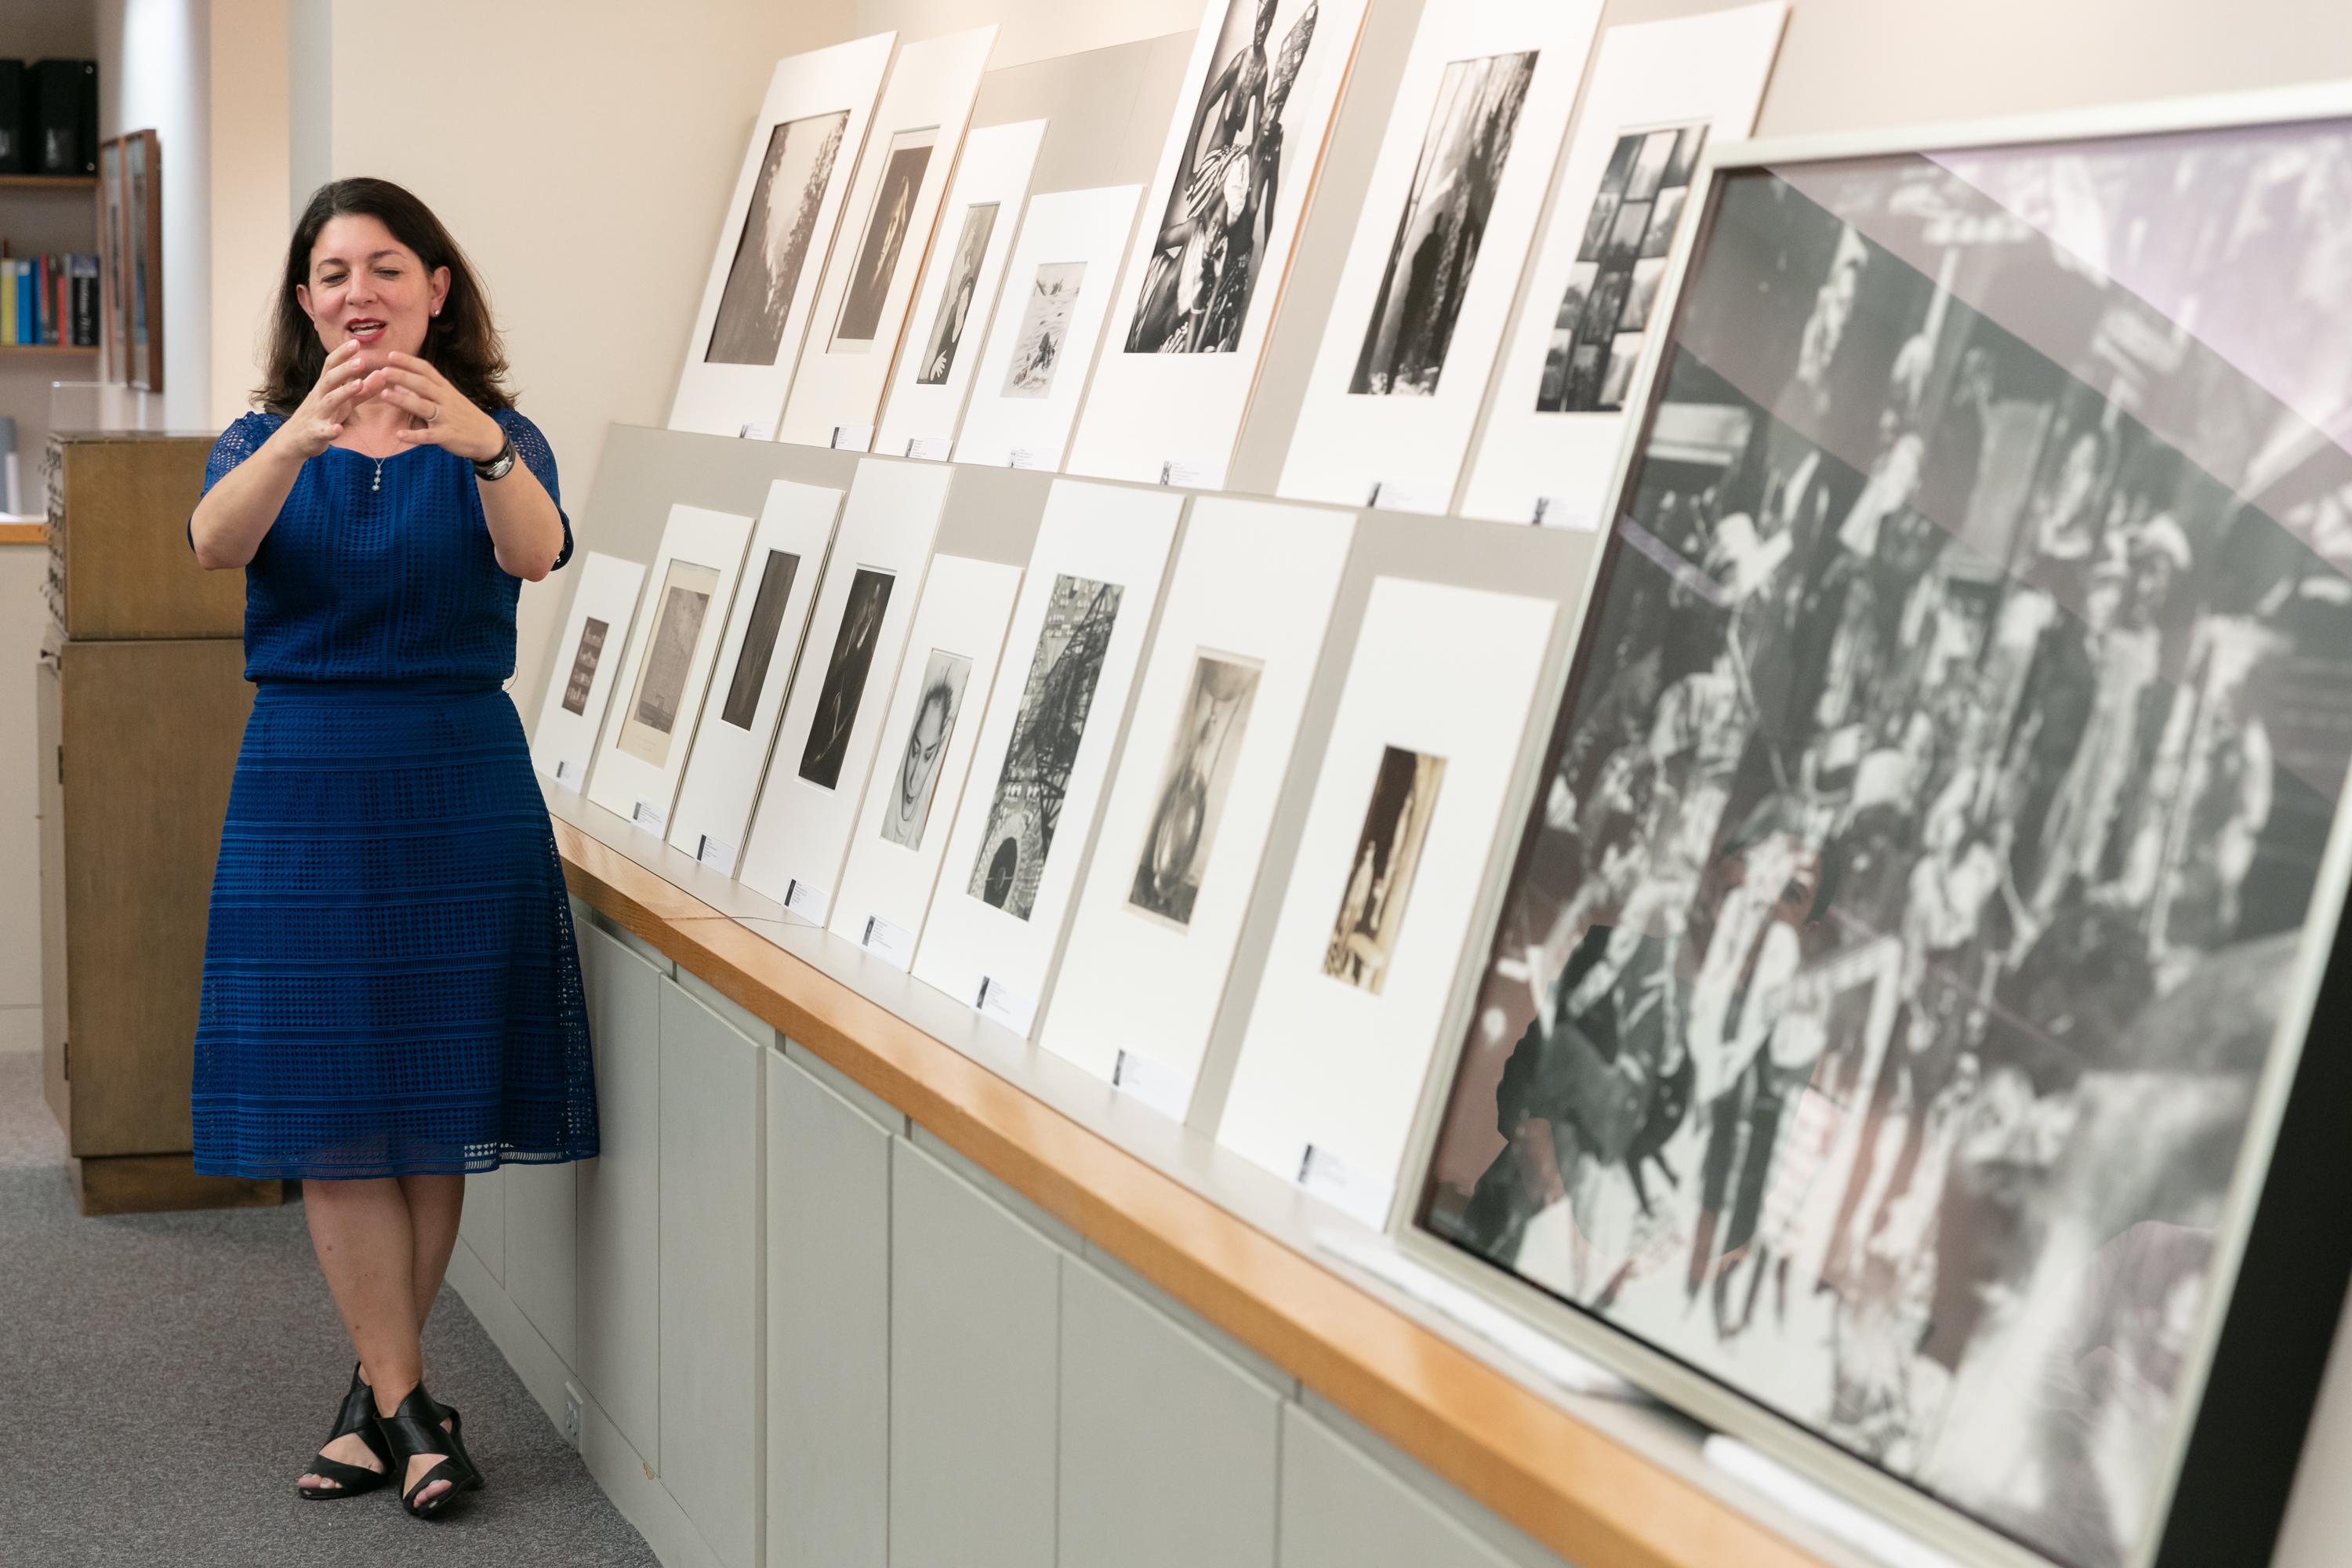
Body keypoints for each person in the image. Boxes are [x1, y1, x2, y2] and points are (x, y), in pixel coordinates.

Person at [187, 177, 596, 1519]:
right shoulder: (261, 436)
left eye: (385, 268)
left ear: (435, 288)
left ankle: (381, 1401)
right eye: (331, 274)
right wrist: (302, 440)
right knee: (332, 1107)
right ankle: (417, 1408)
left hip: (457, 780)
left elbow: (538, 557)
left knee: (430, 1103)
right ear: (304, 304)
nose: (358, 292)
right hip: (304, 786)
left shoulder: (499, 430)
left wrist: (480, 446)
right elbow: (212, 544)